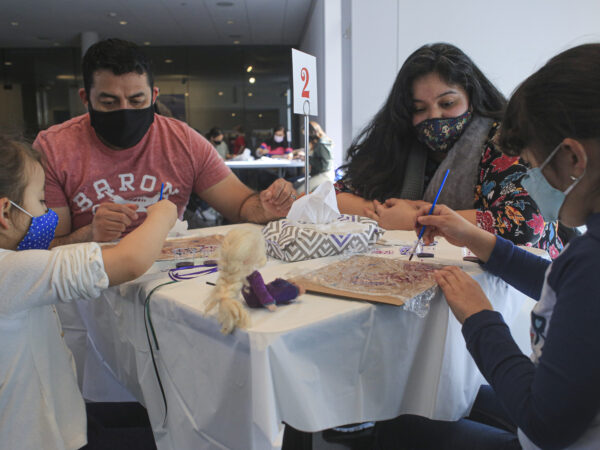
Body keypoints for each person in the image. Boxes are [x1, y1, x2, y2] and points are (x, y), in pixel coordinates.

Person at [376, 43, 600, 449]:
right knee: (462, 397)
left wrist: (480, 319)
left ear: (573, 159)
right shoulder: (587, 260)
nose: (530, 180)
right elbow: (563, 284)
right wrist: (482, 242)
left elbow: (544, 425)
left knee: (402, 425)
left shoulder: (590, 264)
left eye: (532, 166)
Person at [0, 136, 177, 449]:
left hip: (63, 419)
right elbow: (131, 261)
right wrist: (162, 215)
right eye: (41, 201)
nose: (46, 213)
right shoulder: (10, 272)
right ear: (5, 211)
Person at [33, 39, 295, 247]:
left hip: (167, 280)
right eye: (108, 103)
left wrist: (266, 206)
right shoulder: (54, 149)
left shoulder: (183, 142)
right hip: (85, 286)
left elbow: (240, 205)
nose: (125, 112)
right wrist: (90, 233)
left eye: (137, 101)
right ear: (85, 99)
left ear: (154, 95)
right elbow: (43, 247)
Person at [336, 43, 562, 254]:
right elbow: (333, 197)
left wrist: (417, 219)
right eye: (419, 108)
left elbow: (525, 224)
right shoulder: (401, 141)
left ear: (471, 99)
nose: (434, 117)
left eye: (447, 104)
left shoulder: (501, 142)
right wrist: (386, 215)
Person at [294, 121, 334, 193]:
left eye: (306, 135)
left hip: (324, 175)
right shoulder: (317, 143)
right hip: (317, 174)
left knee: (299, 191)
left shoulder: (322, 144)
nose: (306, 137)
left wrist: (308, 158)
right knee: (295, 184)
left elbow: (326, 166)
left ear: (312, 133)